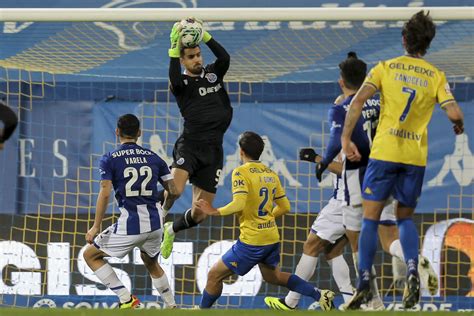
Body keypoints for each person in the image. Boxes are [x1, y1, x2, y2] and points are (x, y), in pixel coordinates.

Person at [341, 11, 464, 309]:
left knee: (370, 219)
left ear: (404, 39)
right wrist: (457, 124)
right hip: (413, 157)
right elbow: (455, 113)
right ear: (428, 43)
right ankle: (412, 270)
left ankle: (366, 281)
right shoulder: (435, 75)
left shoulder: (385, 67)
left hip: (384, 153)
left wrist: (346, 139)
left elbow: (357, 102)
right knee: (404, 218)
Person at [194, 131, 335, 310]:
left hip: (252, 241)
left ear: (241, 151)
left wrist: (214, 211)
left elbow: (239, 203)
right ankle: (320, 295)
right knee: (274, 277)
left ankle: (201, 312)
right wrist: (266, 218)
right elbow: (285, 207)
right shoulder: (270, 173)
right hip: (271, 237)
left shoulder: (240, 173)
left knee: (214, 275)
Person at [83, 114, 179, 309]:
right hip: (155, 224)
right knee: (151, 262)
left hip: (131, 225)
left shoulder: (109, 159)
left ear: (117, 132)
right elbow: (174, 191)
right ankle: (171, 306)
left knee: (90, 255)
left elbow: (105, 193)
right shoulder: (154, 158)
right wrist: (163, 212)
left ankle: (126, 299)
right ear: (139, 133)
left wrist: (95, 226)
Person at [160, 18, 233, 259]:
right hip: (190, 146)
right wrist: (173, 47)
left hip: (214, 151)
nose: (197, 59)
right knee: (176, 190)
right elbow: (172, 75)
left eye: (198, 54)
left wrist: (206, 36)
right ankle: (160, 216)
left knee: (200, 212)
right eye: (191, 57)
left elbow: (225, 59)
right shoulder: (180, 83)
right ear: (182, 60)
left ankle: (172, 228)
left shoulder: (213, 74)